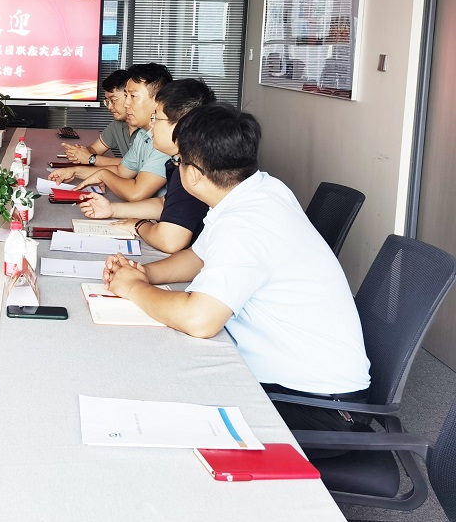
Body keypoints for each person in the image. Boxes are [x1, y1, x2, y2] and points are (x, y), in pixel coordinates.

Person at [102, 103, 371, 434]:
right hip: (296, 381)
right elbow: (199, 257)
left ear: (193, 174)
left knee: (156, 399)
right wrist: (145, 274)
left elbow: (199, 320)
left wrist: (133, 289)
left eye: (178, 162)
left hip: (316, 405)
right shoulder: (259, 189)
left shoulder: (246, 222)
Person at [80, 78, 215, 253]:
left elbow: (169, 241)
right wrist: (112, 209)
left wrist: (138, 225)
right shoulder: (180, 163)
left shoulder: (195, 170)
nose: (152, 125)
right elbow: (165, 205)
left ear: (182, 125)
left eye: (156, 118)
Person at [49, 63, 172, 201]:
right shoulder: (144, 135)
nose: (126, 104)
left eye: (133, 96)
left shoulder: (165, 140)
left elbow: (136, 193)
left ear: (158, 101)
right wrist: (74, 171)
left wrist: (102, 175)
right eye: (126, 96)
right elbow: (121, 171)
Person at [61, 69, 133, 167]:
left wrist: (91, 159)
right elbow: (95, 149)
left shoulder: (147, 128)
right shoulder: (117, 125)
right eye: (107, 101)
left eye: (113, 100)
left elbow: (136, 166)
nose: (109, 107)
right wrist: (79, 153)